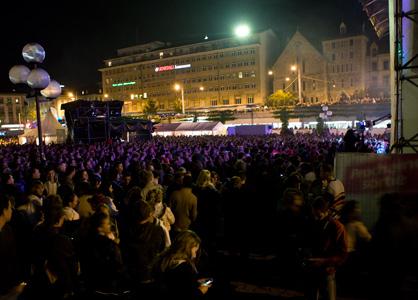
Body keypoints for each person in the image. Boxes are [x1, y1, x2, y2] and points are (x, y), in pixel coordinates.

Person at [303, 195, 348, 300]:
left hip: (327, 272)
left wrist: (324, 261)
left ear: (326, 211)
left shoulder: (337, 227)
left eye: (318, 215)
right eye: (314, 214)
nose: (315, 217)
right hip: (312, 271)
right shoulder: (313, 223)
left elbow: (343, 254)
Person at [154, 230, 212, 299]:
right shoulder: (185, 267)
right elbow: (186, 295)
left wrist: (195, 282)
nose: (195, 255)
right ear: (187, 248)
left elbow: (179, 284)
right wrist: (202, 290)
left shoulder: (164, 260)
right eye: (195, 251)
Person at [0, 195, 26, 300]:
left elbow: (13, 259)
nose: (12, 210)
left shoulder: (8, 229)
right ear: (4, 210)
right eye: (10, 207)